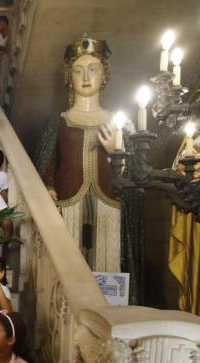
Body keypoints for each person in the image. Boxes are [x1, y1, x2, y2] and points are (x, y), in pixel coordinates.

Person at [34, 35, 120, 272]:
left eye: (93, 69)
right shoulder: (59, 121)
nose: (86, 77)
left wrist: (117, 153)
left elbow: (135, 176)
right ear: (69, 77)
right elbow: (47, 163)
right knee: (68, 264)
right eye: (78, 71)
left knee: (106, 262)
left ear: (104, 75)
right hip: (68, 199)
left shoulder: (118, 123)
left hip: (109, 201)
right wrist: (49, 188)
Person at [0, 15, 11, 108]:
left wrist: (0, 48)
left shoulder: (11, 34)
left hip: (9, 62)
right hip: (2, 62)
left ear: (4, 24)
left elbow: (11, 50)